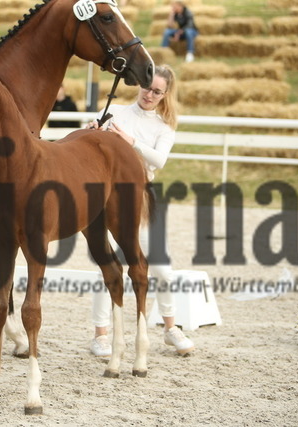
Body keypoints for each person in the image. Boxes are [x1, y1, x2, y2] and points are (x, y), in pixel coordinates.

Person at [86, 65, 195, 357]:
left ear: (165, 94)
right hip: (107, 197)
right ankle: (101, 335)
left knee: (161, 267)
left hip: (141, 197)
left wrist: (129, 141)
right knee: (107, 267)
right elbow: (91, 146)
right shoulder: (115, 112)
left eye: (157, 91)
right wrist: (92, 130)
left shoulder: (165, 126)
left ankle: (170, 328)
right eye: (147, 87)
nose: (149, 94)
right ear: (140, 85)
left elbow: (158, 161)